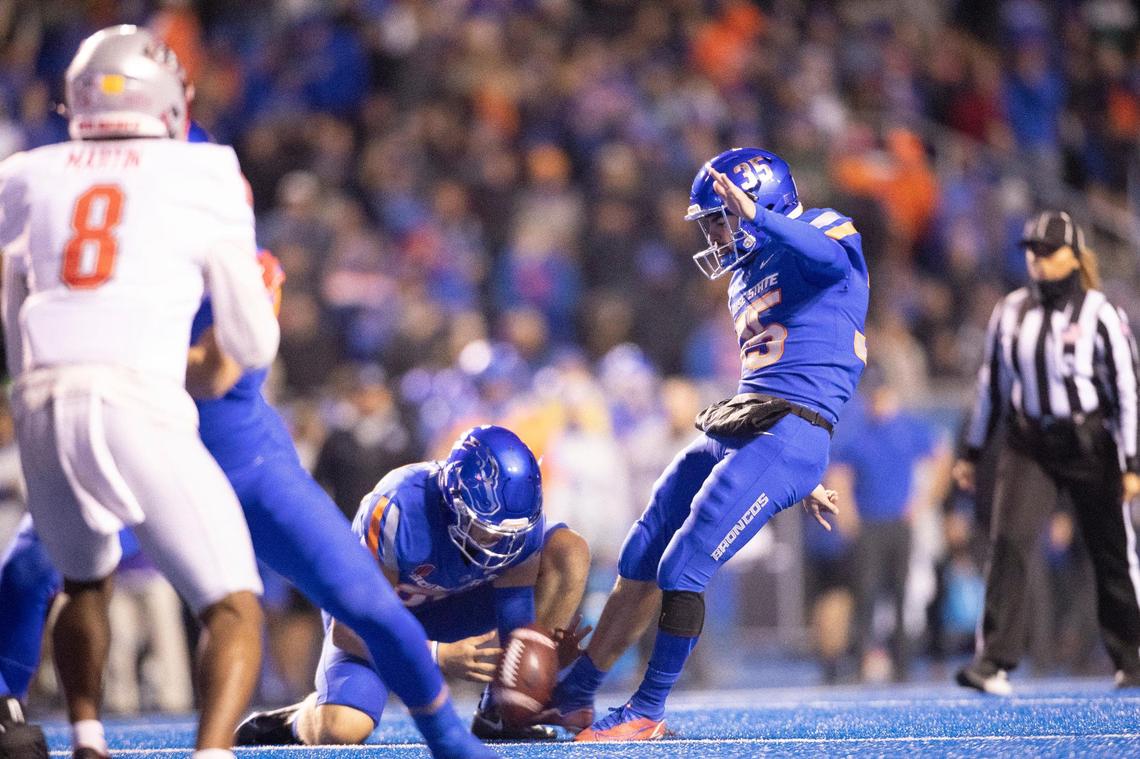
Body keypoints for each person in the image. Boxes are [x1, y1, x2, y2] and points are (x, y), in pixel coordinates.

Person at [0, 25, 279, 759]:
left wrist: (25, 373)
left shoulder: (28, 170)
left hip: (41, 398)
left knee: (83, 579)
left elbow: (12, 285)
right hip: (136, 398)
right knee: (235, 605)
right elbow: (252, 342)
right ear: (167, 98)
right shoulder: (204, 171)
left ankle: (87, 737)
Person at [547, 147, 869, 741]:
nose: (717, 232)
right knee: (643, 550)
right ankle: (575, 692)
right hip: (751, 425)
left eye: (721, 217)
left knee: (684, 563)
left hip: (789, 430)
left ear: (760, 203)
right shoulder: (744, 275)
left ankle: (647, 709)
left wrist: (760, 218)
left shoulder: (821, 229)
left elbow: (825, 261)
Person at [233, 425, 592, 746]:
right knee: (343, 729)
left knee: (568, 551)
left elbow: (517, 626)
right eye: (490, 529)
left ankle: (497, 714)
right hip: (380, 620)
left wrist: (535, 669)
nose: (502, 544)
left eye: (511, 533)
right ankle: (296, 718)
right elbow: (349, 629)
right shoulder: (398, 508)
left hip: (457, 610)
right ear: (455, 500)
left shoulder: (516, 528)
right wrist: (438, 654)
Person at [952, 209, 1140, 695]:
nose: (1037, 262)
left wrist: (1132, 462)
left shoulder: (1101, 313)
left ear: (1073, 257)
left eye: (1047, 252)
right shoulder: (1010, 311)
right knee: (1009, 543)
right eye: (1031, 252)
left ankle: (1131, 656)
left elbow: (1127, 390)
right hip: (1029, 442)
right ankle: (994, 661)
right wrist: (972, 452)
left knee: (1112, 551)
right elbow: (990, 386)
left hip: (1090, 443)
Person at [827, 367, 950, 682]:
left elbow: (941, 458)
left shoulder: (908, 428)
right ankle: (859, 664)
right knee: (865, 596)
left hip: (899, 522)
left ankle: (903, 665)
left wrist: (924, 502)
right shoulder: (859, 432)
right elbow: (840, 473)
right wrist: (847, 514)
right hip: (869, 525)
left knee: (900, 595)